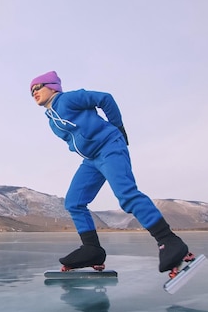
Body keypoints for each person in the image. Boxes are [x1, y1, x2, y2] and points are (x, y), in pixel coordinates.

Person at [30, 70, 191, 274]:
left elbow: (105, 98)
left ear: (52, 86)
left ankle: (168, 241)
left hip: (109, 146)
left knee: (126, 195)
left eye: (38, 87)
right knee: (74, 202)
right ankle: (92, 249)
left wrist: (118, 129)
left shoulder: (68, 99)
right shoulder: (51, 120)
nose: (34, 92)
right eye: (31, 91)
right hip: (91, 160)